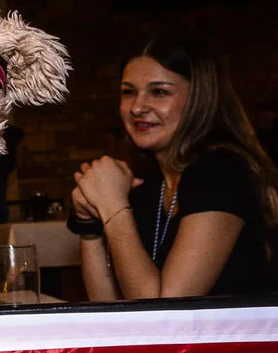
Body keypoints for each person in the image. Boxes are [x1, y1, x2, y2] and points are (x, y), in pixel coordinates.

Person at [70, 30, 278, 300]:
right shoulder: (150, 184)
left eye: (159, 92)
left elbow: (166, 310)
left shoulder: (220, 171)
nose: (137, 107)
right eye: (128, 92)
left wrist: (112, 206)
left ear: (199, 98)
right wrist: (89, 225)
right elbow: (108, 309)